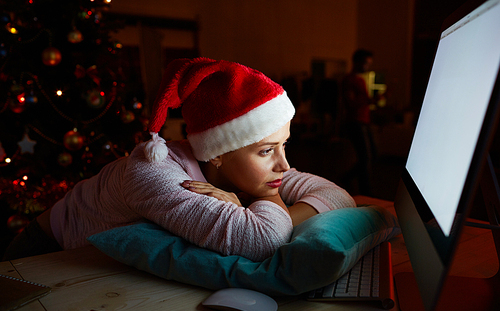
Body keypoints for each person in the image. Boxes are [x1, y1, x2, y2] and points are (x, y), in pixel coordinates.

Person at [3, 58, 356, 262]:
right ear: (216, 153)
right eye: (266, 150)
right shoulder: (152, 171)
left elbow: (340, 198)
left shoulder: (254, 170)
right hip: (47, 251)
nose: (283, 165)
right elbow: (264, 240)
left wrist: (252, 210)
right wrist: (266, 204)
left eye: (284, 146)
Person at [341, 49, 377, 196]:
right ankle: (364, 192)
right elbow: (351, 103)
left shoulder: (360, 80)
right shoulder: (349, 80)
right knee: (366, 157)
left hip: (364, 122)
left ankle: (348, 179)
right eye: (366, 63)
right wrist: (372, 100)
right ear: (357, 62)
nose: (367, 66)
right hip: (356, 122)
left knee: (371, 155)